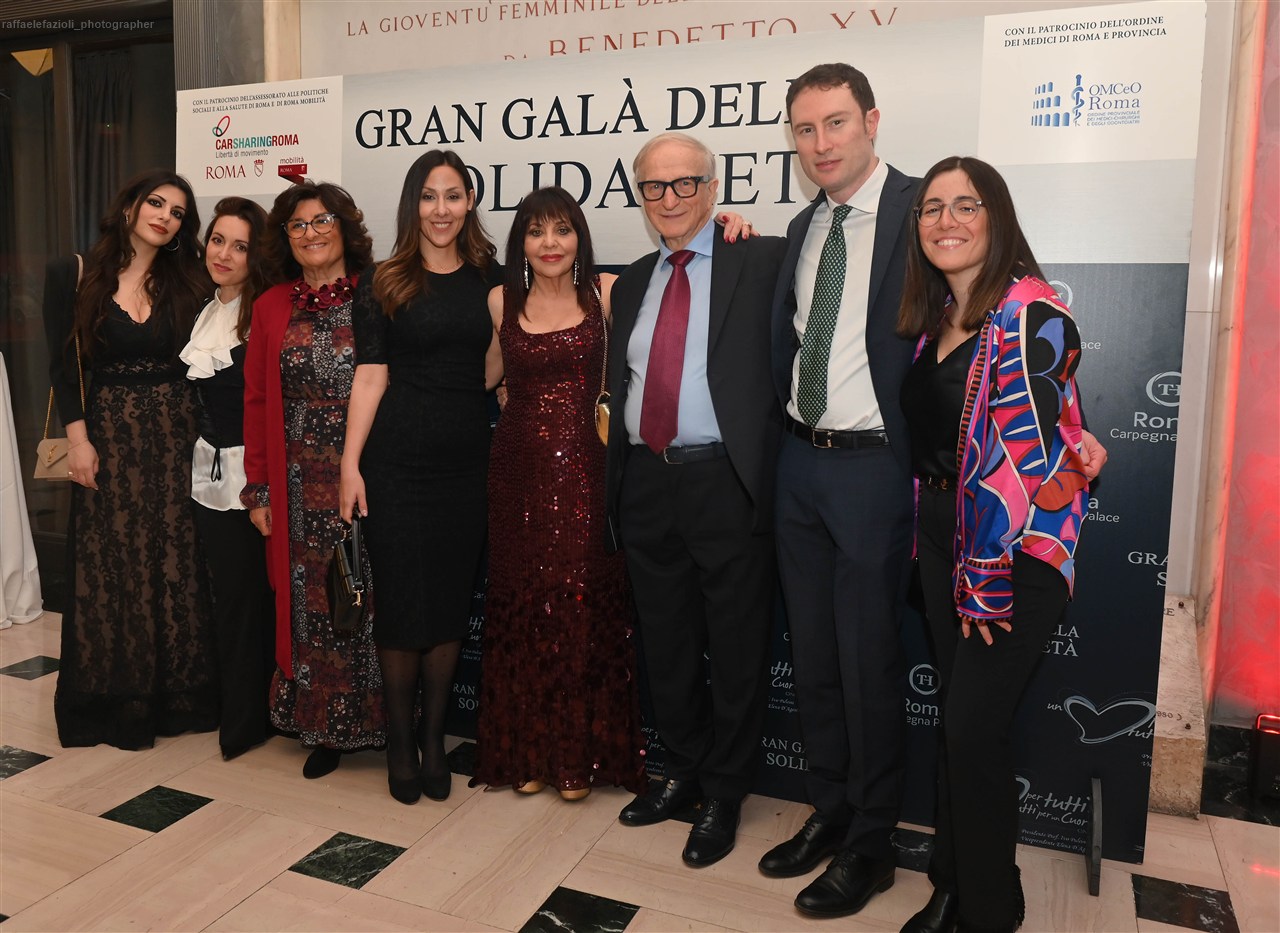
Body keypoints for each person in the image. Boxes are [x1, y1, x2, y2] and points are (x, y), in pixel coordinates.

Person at [764, 63, 1107, 920]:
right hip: (806, 466)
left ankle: (873, 843)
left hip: (887, 481)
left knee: (870, 664)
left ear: (872, 121)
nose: (821, 143)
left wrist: (1072, 438)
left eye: (836, 123)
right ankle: (833, 811)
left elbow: (1034, 391)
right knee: (816, 660)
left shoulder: (922, 213)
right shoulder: (804, 228)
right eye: (804, 129)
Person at [896, 156, 1088, 933]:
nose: (945, 220)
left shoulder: (1035, 314)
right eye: (931, 207)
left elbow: (1026, 463)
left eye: (965, 205)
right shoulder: (941, 316)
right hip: (944, 536)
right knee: (961, 723)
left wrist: (984, 574)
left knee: (973, 728)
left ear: (997, 216)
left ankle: (988, 911)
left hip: (1010, 554)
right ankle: (954, 883)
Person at [605, 132, 787, 867]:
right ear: (641, 197)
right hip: (647, 480)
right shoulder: (632, 280)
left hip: (724, 481)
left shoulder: (760, 259)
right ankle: (679, 769)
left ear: (713, 190)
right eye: (655, 186)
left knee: (737, 646)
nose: (670, 198)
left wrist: (740, 229)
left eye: (686, 183)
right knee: (666, 639)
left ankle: (724, 791)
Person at [474, 185, 646, 802]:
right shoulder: (501, 299)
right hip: (516, 472)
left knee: (579, 606)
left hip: (587, 473)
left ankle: (578, 758)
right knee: (524, 605)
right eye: (536, 231)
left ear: (580, 238)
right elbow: (488, 373)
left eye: (562, 229)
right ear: (520, 242)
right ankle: (527, 752)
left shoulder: (607, 293)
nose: (550, 243)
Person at [339, 150, 501, 804]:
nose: (441, 209)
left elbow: (491, 368)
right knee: (404, 606)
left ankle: (435, 740)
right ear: (413, 205)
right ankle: (400, 744)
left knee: (449, 605)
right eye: (429, 196)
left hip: (465, 464)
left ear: (470, 202)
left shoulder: (492, 280)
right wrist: (350, 465)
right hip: (395, 462)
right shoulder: (382, 280)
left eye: (453, 195)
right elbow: (370, 376)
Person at [43, 169, 217, 749]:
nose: (165, 216)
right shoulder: (72, 274)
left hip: (177, 440)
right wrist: (79, 441)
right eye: (157, 203)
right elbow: (64, 367)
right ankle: (118, 700)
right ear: (130, 207)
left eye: (177, 212)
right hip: (108, 439)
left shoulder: (191, 280)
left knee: (175, 563)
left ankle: (177, 697)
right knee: (112, 564)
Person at [242, 180, 385, 779]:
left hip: (369, 472)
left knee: (370, 594)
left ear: (345, 227)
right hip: (297, 480)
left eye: (323, 220)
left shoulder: (380, 292)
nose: (312, 233)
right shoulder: (271, 305)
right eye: (298, 225)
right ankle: (325, 728)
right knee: (313, 600)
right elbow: (256, 401)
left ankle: (381, 722)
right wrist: (260, 488)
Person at [181, 197, 276, 761]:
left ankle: (247, 722)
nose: (224, 254)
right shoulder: (205, 309)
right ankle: (239, 709)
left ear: (256, 255)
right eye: (218, 240)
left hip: (252, 478)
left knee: (249, 600)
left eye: (240, 246)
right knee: (228, 598)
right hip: (207, 476)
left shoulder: (263, 312)